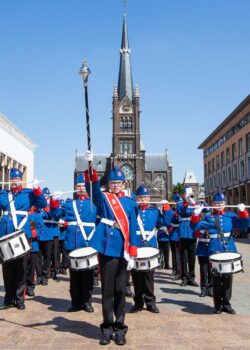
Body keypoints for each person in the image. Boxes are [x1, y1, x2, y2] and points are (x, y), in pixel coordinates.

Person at [85, 150, 138, 346]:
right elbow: (93, 190)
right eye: (112, 183)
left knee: (120, 291)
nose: (115, 186)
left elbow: (132, 228)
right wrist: (90, 167)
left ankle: (120, 328)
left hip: (123, 250)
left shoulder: (131, 204)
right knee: (107, 291)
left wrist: (133, 250)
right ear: (108, 184)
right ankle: (106, 328)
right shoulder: (104, 198)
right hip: (107, 248)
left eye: (119, 183)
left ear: (124, 184)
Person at [191, 192, 249, 314]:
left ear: (225, 204)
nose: (218, 205)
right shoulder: (209, 217)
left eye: (221, 203)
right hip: (214, 249)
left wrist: (243, 213)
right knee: (216, 278)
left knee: (228, 277)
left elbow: (245, 225)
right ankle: (217, 305)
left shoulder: (231, 216)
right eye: (216, 203)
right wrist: (196, 214)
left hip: (229, 249)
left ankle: (226, 304)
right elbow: (195, 227)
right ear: (212, 204)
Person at [0, 167, 46, 310]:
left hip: (22, 234)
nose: (14, 181)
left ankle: (20, 299)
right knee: (7, 269)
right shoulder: (3, 194)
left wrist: (37, 189)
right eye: (12, 179)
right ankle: (8, 299)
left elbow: (43, 204)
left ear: (21, 180)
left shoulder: (28, 194)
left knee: (21, 267)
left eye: (17, 179)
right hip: (6, 234)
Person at [51, 174, 97, 312]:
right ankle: (75, 302)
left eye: (83, 186)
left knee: (88, 275)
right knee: (74, 275)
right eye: (79, 186)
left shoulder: (94, 203)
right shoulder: (70, 203)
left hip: (88, 242)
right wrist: (54, 201)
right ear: (75, 188)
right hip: (73, 242)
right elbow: (56, 215)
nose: (81, 188)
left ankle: (87, 302)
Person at [130, 184, 167, 314]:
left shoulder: (154, 212)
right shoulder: (132, 211)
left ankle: (150, 302)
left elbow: (163, 224)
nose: (142, 199)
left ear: (149, 197)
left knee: (149, 277)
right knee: (136, 276)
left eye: (145, 197)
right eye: (140, 197)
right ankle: (138, 302)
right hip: (137, 245)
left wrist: (166, 210)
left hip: (150, 246)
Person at [177, 187, 199, 287]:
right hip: (183, 232)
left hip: (192, 231)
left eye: (191, 194)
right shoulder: (180, 203)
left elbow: (197, 213)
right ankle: (184, 277)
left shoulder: (194, 203)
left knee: (192, 257)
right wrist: (187, 202)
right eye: (188, 194)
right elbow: (182, 211)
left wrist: (193, 203)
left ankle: (191, 277)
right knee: (183, 257)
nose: (190, 195)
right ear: (184, 195)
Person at [194, 204, 213, 297]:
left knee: (211, 269)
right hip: (202, 247)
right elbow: (196, 231)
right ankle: (203, 288)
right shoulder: (199, 222)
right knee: (203, 269)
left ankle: (210, 288)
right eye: (204, 213)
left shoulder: (213, 221)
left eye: (208, 212)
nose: (206, 215)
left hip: (211, 247)